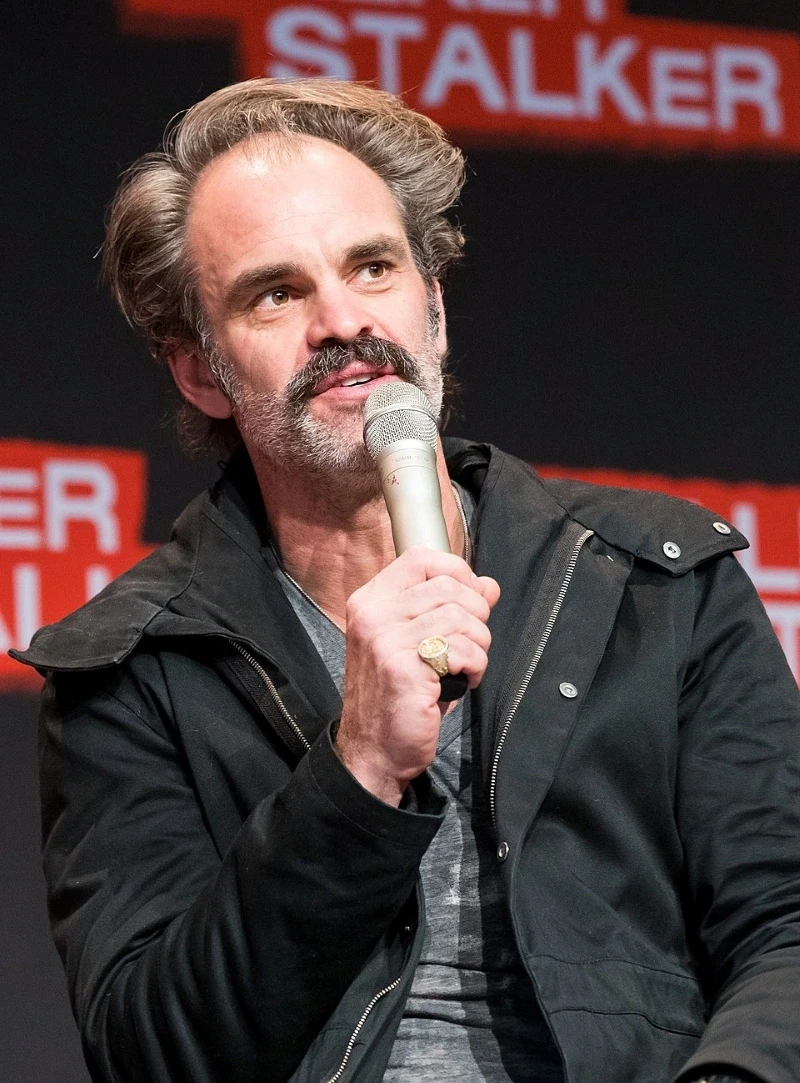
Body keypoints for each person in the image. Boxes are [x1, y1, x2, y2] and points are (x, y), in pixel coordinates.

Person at [13, 79, 800, 1083]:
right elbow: (153, 1050)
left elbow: (783, 923)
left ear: (431, 307)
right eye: (276, 291)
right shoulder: (127, 668)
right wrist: (355, 774)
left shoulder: (656, 580)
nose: (342, 321)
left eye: (372, 268)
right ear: (200, 371)